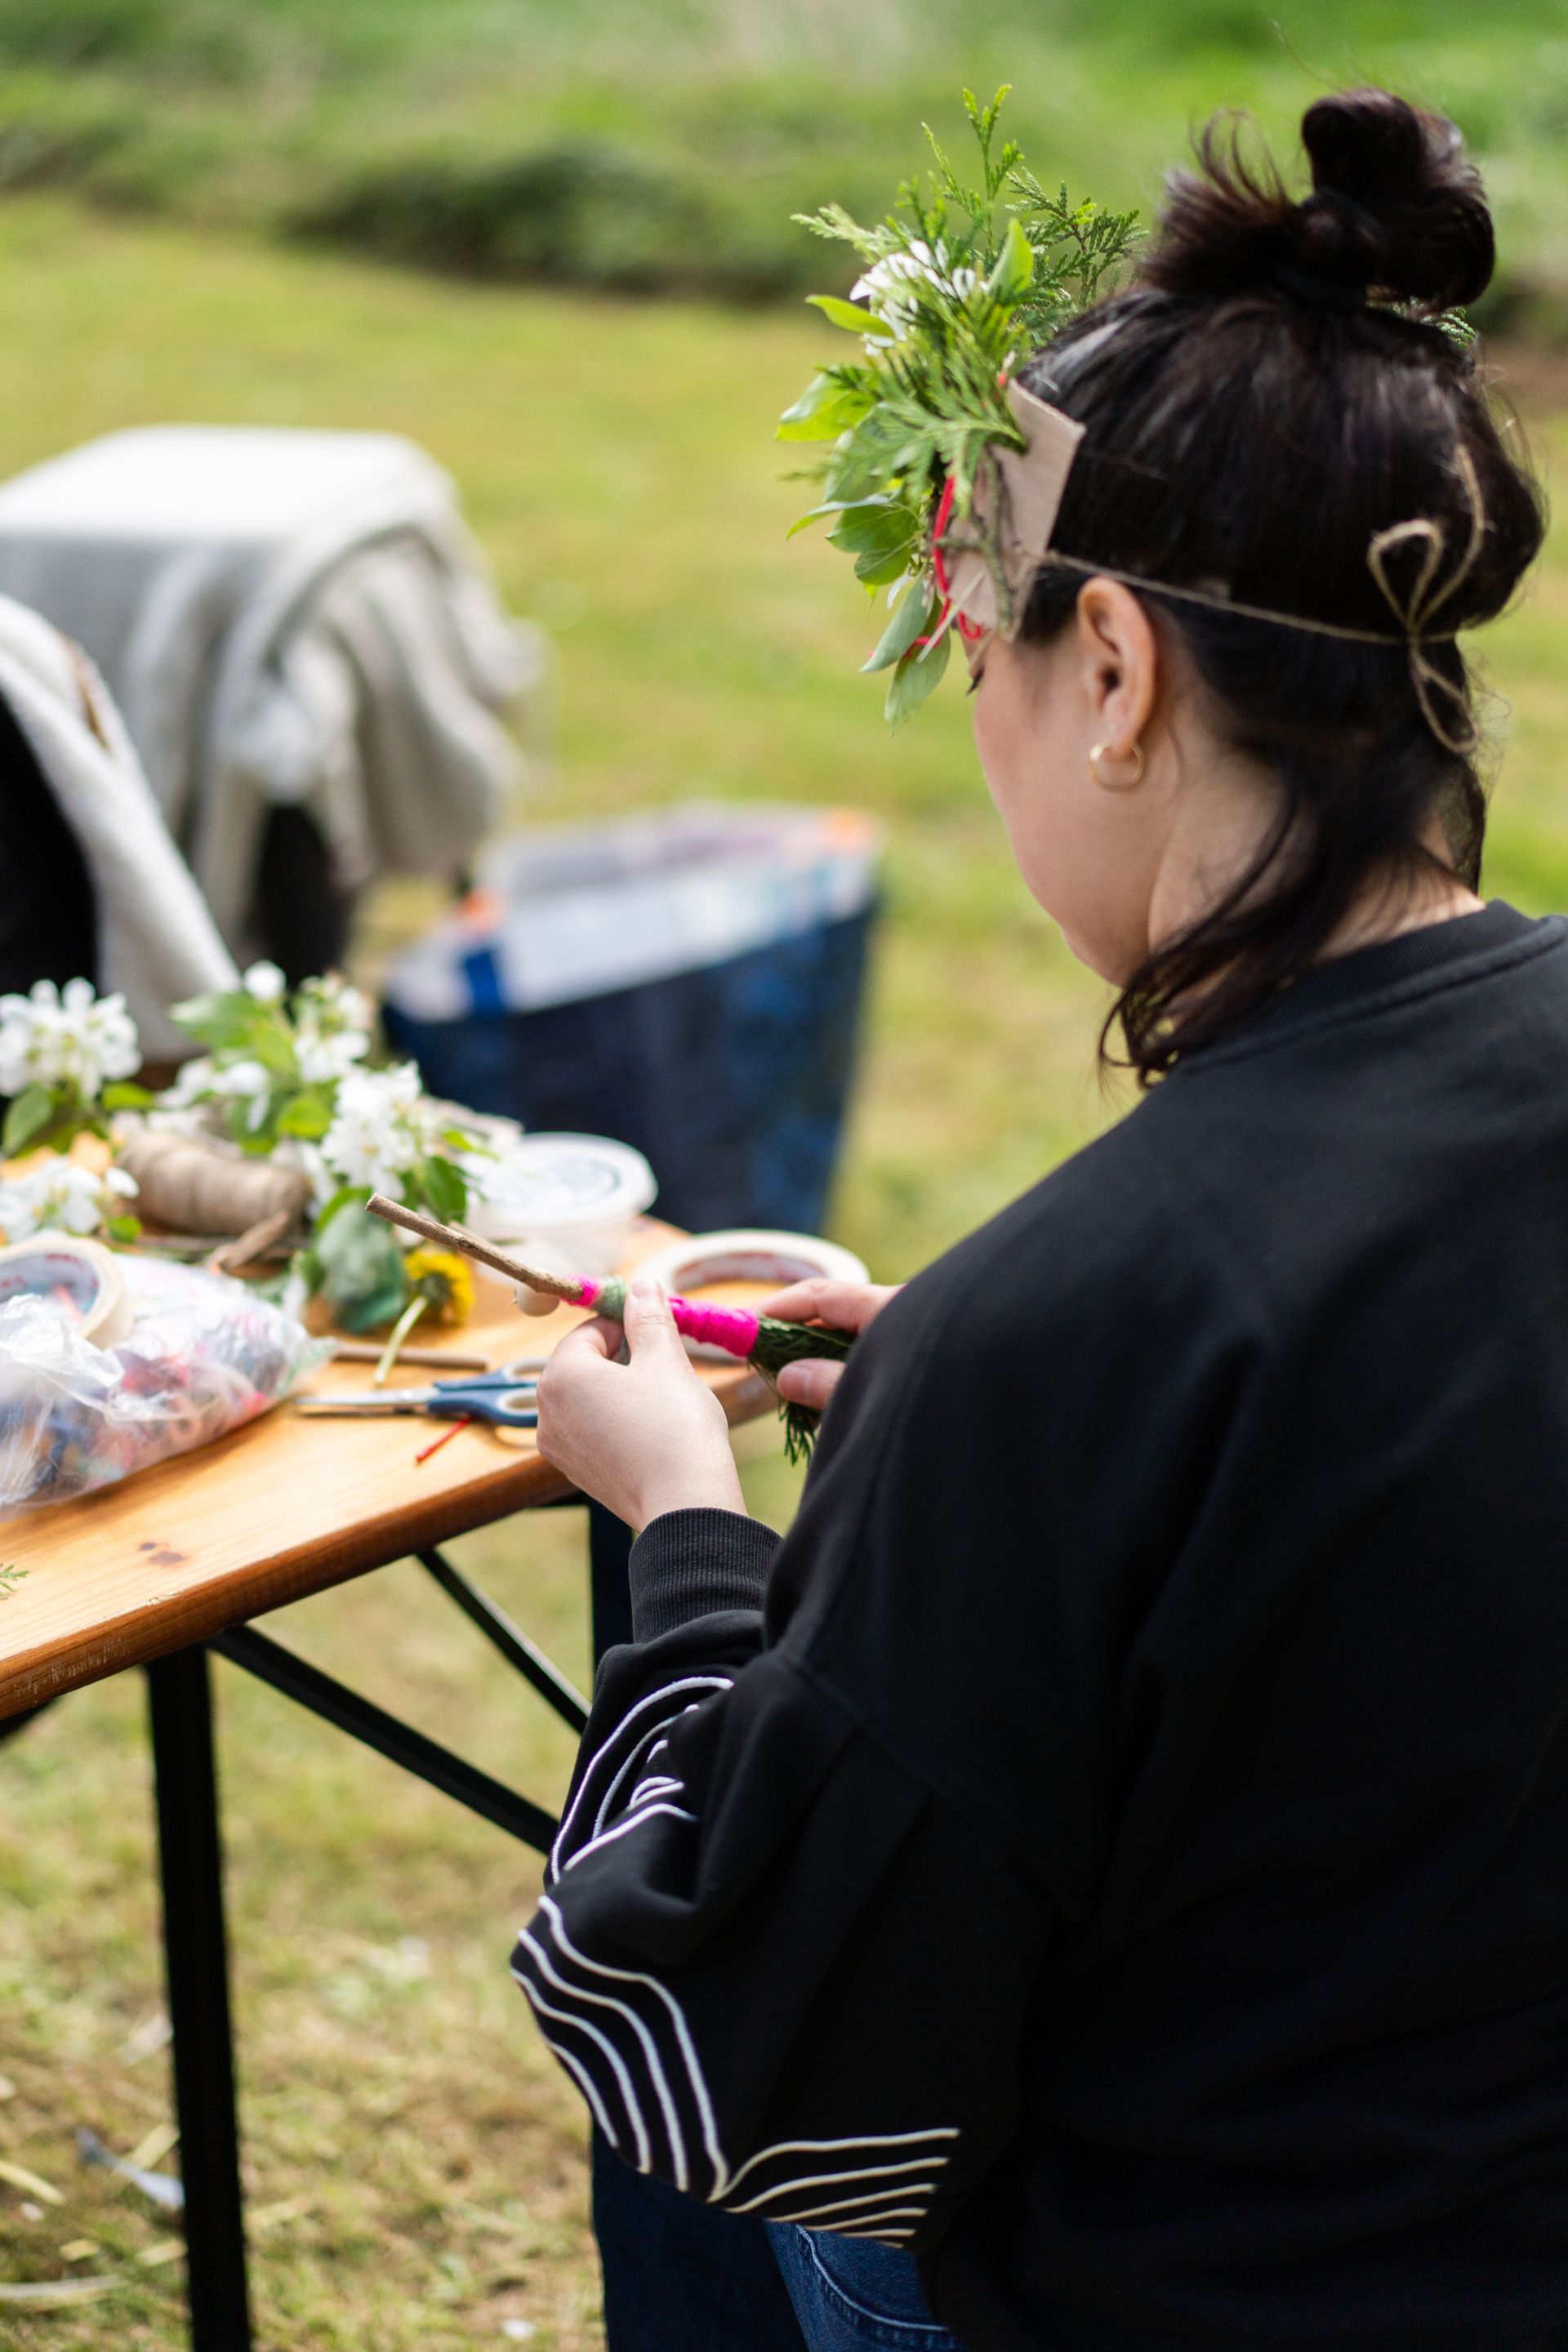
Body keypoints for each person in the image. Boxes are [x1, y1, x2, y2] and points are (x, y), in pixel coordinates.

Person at [519, 87, 1568, 2351]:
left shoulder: (1069, 1333)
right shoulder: (1081, 1338)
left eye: (977, 659)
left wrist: (687, 1535)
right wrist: (967, 1391)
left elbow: (731, 2057)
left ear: (1115, 672)